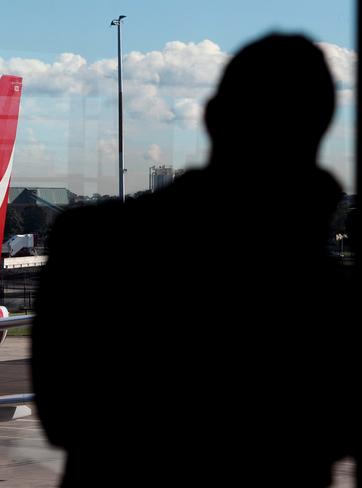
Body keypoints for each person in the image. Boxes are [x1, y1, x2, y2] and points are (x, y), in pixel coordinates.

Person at [32, 33, 356, 487]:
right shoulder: (326, 297)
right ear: (320, 133)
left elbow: (61, 418)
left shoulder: (90, 246)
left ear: (211, 119)